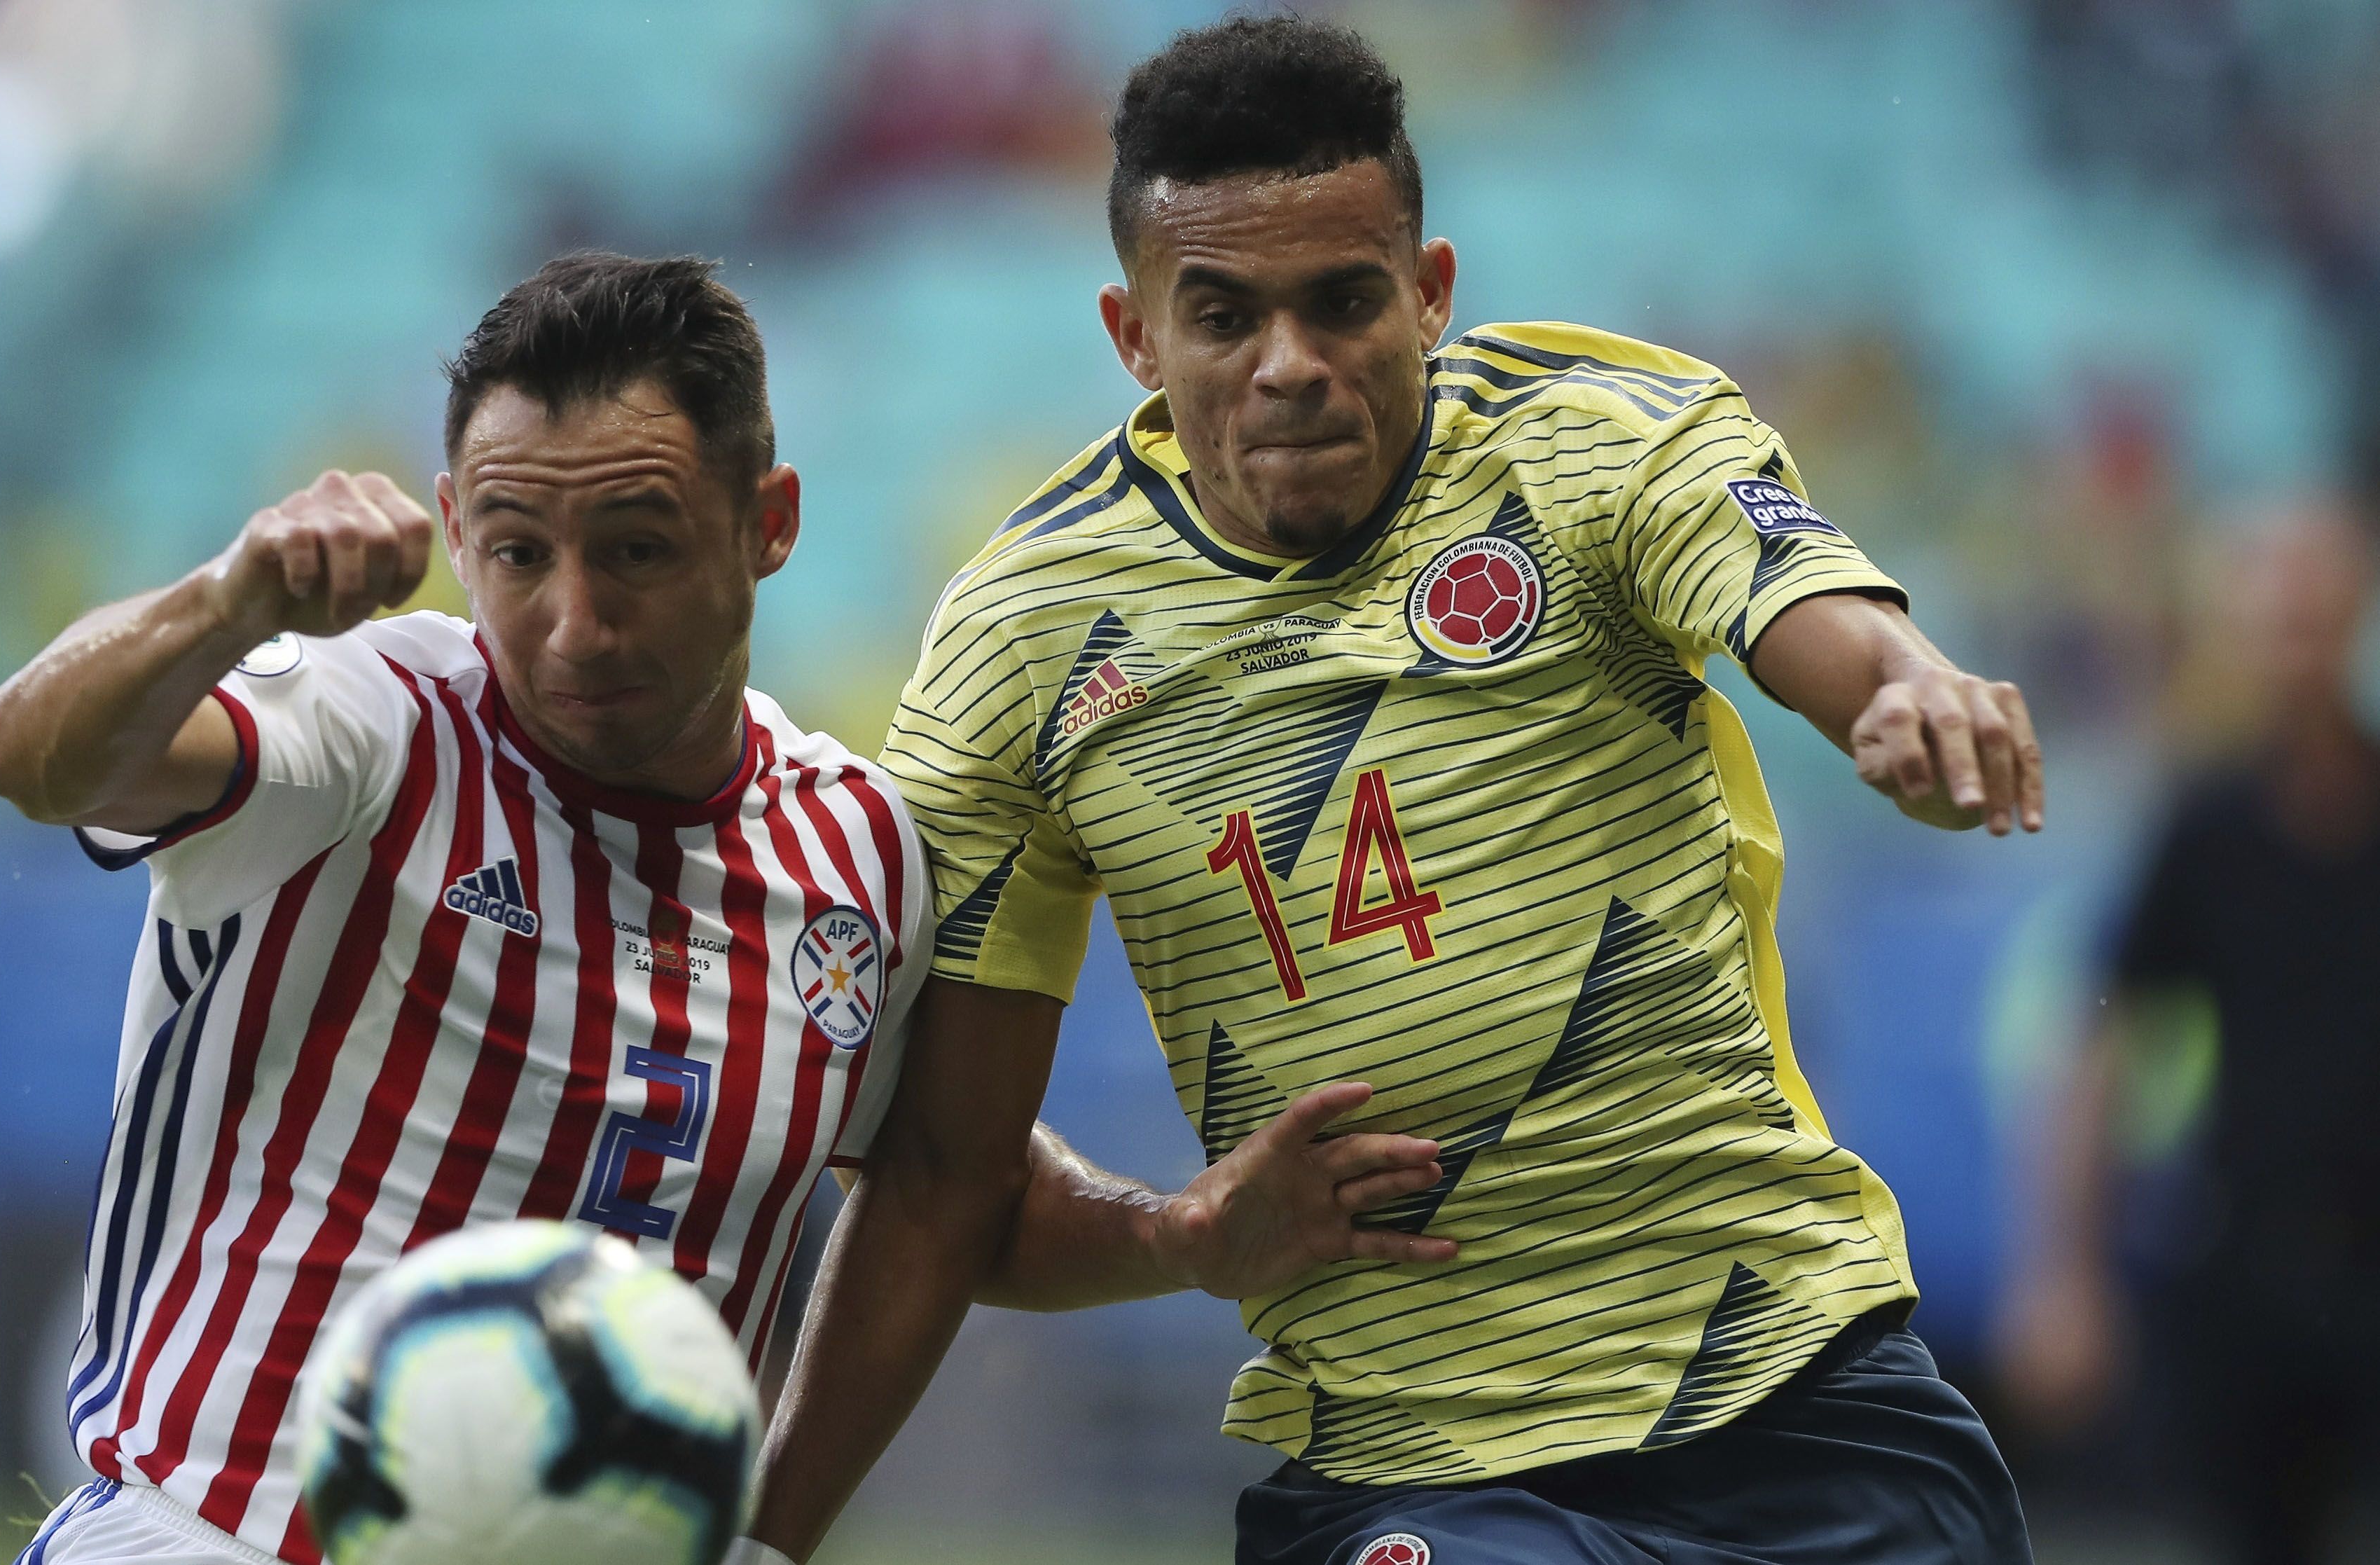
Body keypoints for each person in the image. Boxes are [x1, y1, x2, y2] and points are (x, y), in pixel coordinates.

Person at [751, 18, 2045, 1565]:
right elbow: (943, 1173)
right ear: (1133, 336)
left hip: (1795, 1395)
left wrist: (1912, 696)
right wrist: (1178, 1238)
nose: (1288, 366)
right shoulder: (1026, 636)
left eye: (1343, 301)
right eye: (1221, 315)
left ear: (1428, 293)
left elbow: (1813, 610)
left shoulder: (1587, 442)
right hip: (1417, 1479)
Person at [0, 252, 1448, 1565]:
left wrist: (1179, 1236)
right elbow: (32, 755)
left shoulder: (854, 854)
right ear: (450, 527)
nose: (572, 622)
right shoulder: (374, 725)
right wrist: (226, 603)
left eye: (638, 549)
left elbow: (946, 1180)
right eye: (517, 553)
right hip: (213, 1533)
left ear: (770, 521)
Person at [2002, 513, 2380, 1564]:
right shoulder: (2207, 827)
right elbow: (2102, 1040)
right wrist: (2063, 1273)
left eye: (2318, 601)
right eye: (2276, 605)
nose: (2297, 628)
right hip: (2252, 1259)